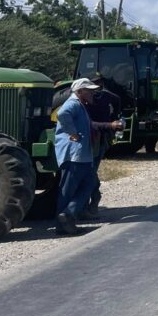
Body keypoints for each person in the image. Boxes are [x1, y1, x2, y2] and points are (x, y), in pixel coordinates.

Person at [53, 79, 101, 235]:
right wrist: (72, 133)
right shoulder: (73, 104)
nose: (93, 92)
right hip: (74, 155)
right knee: (68, 190)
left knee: (89, 184)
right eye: (89, 90)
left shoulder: (80, 105)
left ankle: (67, 216)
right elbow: (62, 114)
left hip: (81, 155)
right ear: (79, 92)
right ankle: (63, 223)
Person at [84, 79, 123, 219]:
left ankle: (93, 201)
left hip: (98, 137)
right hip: (89, 136)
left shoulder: (105, 96)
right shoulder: (81, 102)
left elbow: (117, 100)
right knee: (89, 171)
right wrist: (110, 123)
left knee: (91, 170)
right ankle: (87, 204)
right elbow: (87, 123)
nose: (95, 90)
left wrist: (112, 119)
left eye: (97, 86)